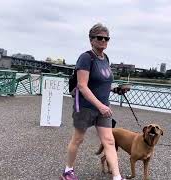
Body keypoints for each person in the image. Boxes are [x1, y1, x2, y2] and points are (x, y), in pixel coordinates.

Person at [60, 23, 125, 180]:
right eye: (100, 38)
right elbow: (82, 86)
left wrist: (115, 89)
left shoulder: (105, 58)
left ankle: (117, 177)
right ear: (91, 40)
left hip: (103, 107)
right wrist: (100, 106)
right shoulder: (86, 58)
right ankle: (68, 171)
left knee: (109, 141)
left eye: (106, 38)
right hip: (85, 106)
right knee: (78, 139)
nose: (103, 40)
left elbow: (100, 84)